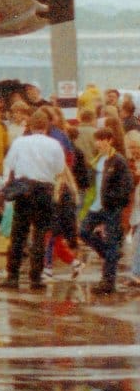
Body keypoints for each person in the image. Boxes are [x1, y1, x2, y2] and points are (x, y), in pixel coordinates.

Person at [0, 113, 67, 290]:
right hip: (44, 189)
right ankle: (36, 277)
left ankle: (12, 275)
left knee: (18, 234)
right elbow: (59, 169)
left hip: (24, 190)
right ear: (46, 126)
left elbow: (10, 163)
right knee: (40, 233)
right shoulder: (54, 144)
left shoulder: (20, 142)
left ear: (29, 125)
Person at [82, 125, 133, 294]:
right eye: (97, 140)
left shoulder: (117, 160)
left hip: (110, 206)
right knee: (84, 232)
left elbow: (126, 185)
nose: (98, 143)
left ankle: (108, 282)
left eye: (101, 140)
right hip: (96, 206)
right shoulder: (97, 160)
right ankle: (109, 254)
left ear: (110, 140)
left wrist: (115, 201)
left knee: (111, 241)